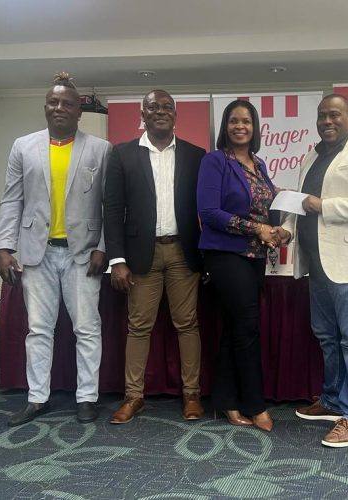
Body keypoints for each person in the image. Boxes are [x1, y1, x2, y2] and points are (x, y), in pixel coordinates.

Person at [0, 72, 112, 426]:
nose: (59, 108)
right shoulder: (23, 146)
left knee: (87, 329)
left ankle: (87, 397)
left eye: (68, 104)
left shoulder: (100, 149)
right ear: (45, 107)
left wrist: (103, 247)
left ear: (79, 112)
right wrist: (3, 245)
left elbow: (110, 205)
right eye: (53, 102)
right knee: (39, 329)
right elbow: (12, 199)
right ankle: (37, 398)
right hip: (36, 253)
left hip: (83, 254)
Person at [279, 94, 348, 447]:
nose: (327, 121)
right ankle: (330, 400)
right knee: (326, 337)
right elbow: (302, 204)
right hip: (318, 264)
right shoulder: (312, 155)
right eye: (322, 116)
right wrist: (286, 228)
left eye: (335, 115)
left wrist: (324, 205)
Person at [104, 89, 206, 424]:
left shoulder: (196, 155)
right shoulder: (122, 155)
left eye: (166, 107)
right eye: (153, 107)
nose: (160, 112)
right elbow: (113, 210)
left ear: (175, 115)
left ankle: (191, 394)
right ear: (142, 114)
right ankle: (134, 397)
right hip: (139, 255)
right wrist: (116, 259)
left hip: (183, 251)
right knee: (139, 327)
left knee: (187, 324)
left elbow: (206, 208)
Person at [197, 99, 281, 432]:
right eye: (233, 121)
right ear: (225, 126)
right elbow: (209, 213)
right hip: (225, 255)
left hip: (255, 257)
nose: (240, 126)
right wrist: (256, 228)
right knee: (247, 328)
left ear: (255, 127)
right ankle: (254, 404)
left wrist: (277, 229)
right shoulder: (215, 161)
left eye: (246, 121)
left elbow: (265, 207)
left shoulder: (259, 164)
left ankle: (226, 401)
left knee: (236, 329)